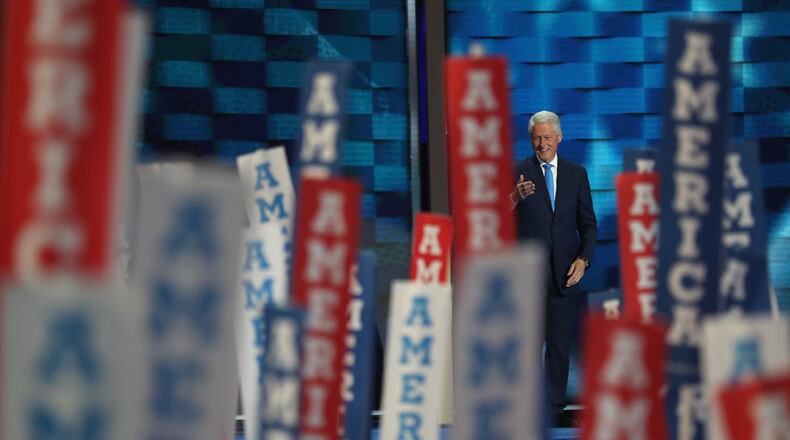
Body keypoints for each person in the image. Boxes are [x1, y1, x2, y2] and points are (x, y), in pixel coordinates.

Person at [510, 110, 597, 426]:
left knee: (559, 345)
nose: (542, 143)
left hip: (563, 274)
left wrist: (582, 260)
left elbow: (588, 226)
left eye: (547, 137)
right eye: (536, 137)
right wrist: (513, 198)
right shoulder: (517, 172)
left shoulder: (577, 174)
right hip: (527, 275)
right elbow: (496, 220)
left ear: (559, 138)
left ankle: (554, 410)